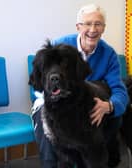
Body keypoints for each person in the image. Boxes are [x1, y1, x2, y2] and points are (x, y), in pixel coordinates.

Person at [31, 4, 129, 168]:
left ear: (103, 28)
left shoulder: (109, 54)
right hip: (48, 100)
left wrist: (110, 106)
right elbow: (38, 83)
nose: (93, 29)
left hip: (83, 98)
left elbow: (118, 89)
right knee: (47, 125)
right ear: (78, 27)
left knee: (109, 118)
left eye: (98, 24)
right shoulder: (59, 46)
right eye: (88, 24)